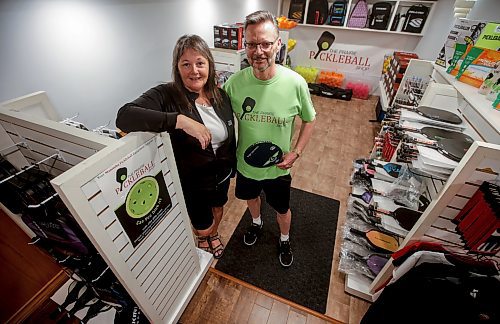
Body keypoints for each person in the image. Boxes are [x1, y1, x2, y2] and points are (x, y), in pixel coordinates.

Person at [116, 34, 236, 259]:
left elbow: (229, 135)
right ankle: (203, 237)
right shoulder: (166, 95)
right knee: (202, 224)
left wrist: (232, 166)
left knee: (219, 208)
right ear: (177, 68)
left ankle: (214, 234)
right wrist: (180, 120)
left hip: (221, 174)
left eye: (200, 63)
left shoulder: (220, 96)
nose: (194, 71)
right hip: (193, 180)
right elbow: (124, 117)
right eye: (186, 64)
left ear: (209, 64)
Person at [223, 10, 316, 267]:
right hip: (246, 164)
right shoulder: (233, 84)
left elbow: (310, 120)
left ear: (278, 44)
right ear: (245, 46)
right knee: (251, 199)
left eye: (265, 43)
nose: (258, 51)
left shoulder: (295, 83)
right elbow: (218, 118)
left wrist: (296, 152)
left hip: (278, 169)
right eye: (252, 44)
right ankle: (256, 223)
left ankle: (284, 239)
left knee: (282, 209)